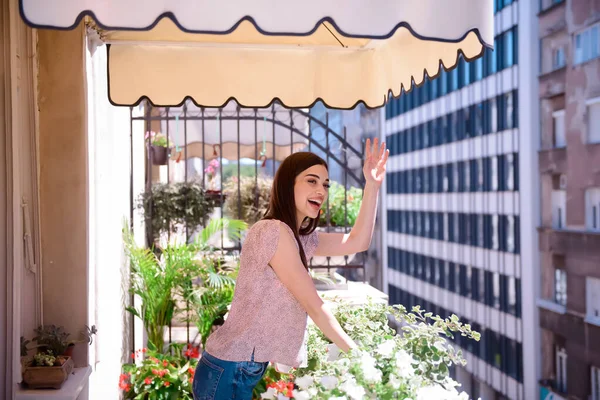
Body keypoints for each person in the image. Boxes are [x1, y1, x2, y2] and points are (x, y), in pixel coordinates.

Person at [192, 138, 389, 400]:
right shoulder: (272, 232)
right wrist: (360, 357)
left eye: (325, 184)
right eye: (311, 180)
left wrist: (372, 186)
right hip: (228, 371)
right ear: (288, 184)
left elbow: (357, 241)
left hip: (236, 369)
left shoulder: (299, 237)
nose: (321, 190)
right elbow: (314, 305)